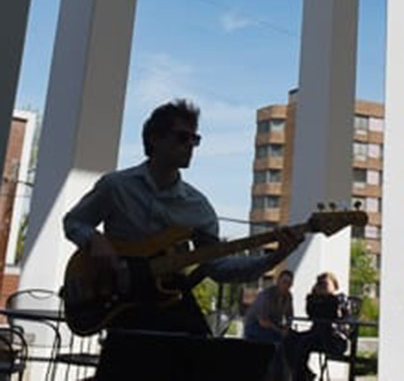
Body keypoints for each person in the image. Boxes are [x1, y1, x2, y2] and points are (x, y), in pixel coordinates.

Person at [63, 98, 303, 335]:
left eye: (194, 139)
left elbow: (218, 267)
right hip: (118, 303)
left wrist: (275, 258)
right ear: (154, 139)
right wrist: (95, 239)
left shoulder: (198, 207)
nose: (190, 145)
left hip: (169, 300)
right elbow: (74, 222)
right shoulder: (116, 186)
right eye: (181, 137)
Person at [285, 272, 350, 381]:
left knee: (304, 343)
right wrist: (313, 296)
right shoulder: (317, 299)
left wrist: (326, 297)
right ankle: (304, 372)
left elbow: (331, 314)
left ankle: (300, 377)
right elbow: (311, 313)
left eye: (325, 284)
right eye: (320, 284)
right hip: (316, 335)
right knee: (290, 339)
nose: (323, 287)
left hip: (335, 339)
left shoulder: (339, 299)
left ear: (334, 284)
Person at [244, 270, 295, 380]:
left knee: (293, 341)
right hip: (255, 326)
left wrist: (287, 327)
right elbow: (263, 321)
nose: (286, 286)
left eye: (289, 283)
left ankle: (292, 372)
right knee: (277, 343)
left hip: (273, 327)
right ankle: (274, 374)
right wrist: (280, 331)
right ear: (278, 281)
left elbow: (290, 316)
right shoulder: (266, 295)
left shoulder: (288, 297)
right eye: (284, 282)